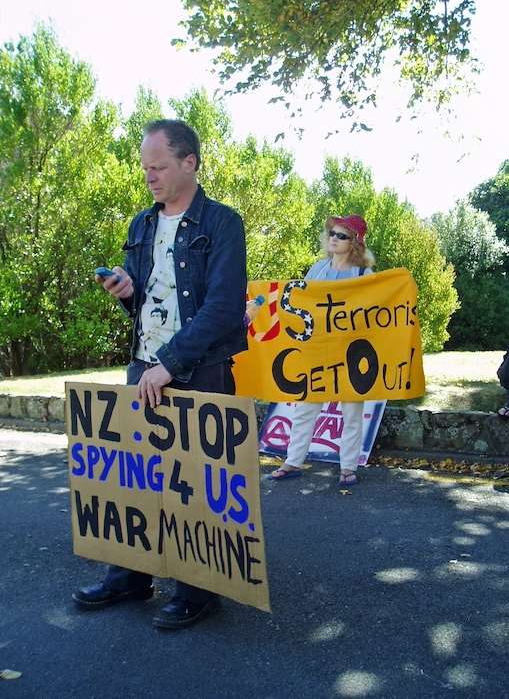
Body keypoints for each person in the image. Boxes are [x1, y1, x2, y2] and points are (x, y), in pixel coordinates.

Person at [72, 119, 248, 630]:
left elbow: (221, 307)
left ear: (189, 163)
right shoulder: (141, 225)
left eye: (159, 166)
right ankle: (131, 576)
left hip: (199, 369)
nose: (149, 176)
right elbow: (152, 303)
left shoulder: (222, 223)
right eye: (145, 167)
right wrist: (129, 293)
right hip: (143, 367)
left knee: (197, 484)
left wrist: (170, 364)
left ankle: (200, 589)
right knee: (137, 480)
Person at [268, 215, 375, 485]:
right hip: (316, 350)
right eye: (332, 233)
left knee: (352, 411)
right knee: (306, 408)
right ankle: (293, 462)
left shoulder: (365, 276)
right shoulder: (317, 269)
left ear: (355, 243)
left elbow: (374, 313)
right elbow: (300, 304)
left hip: (351, 352)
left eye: (341, 235)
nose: (334, 239)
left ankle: (348, 468)